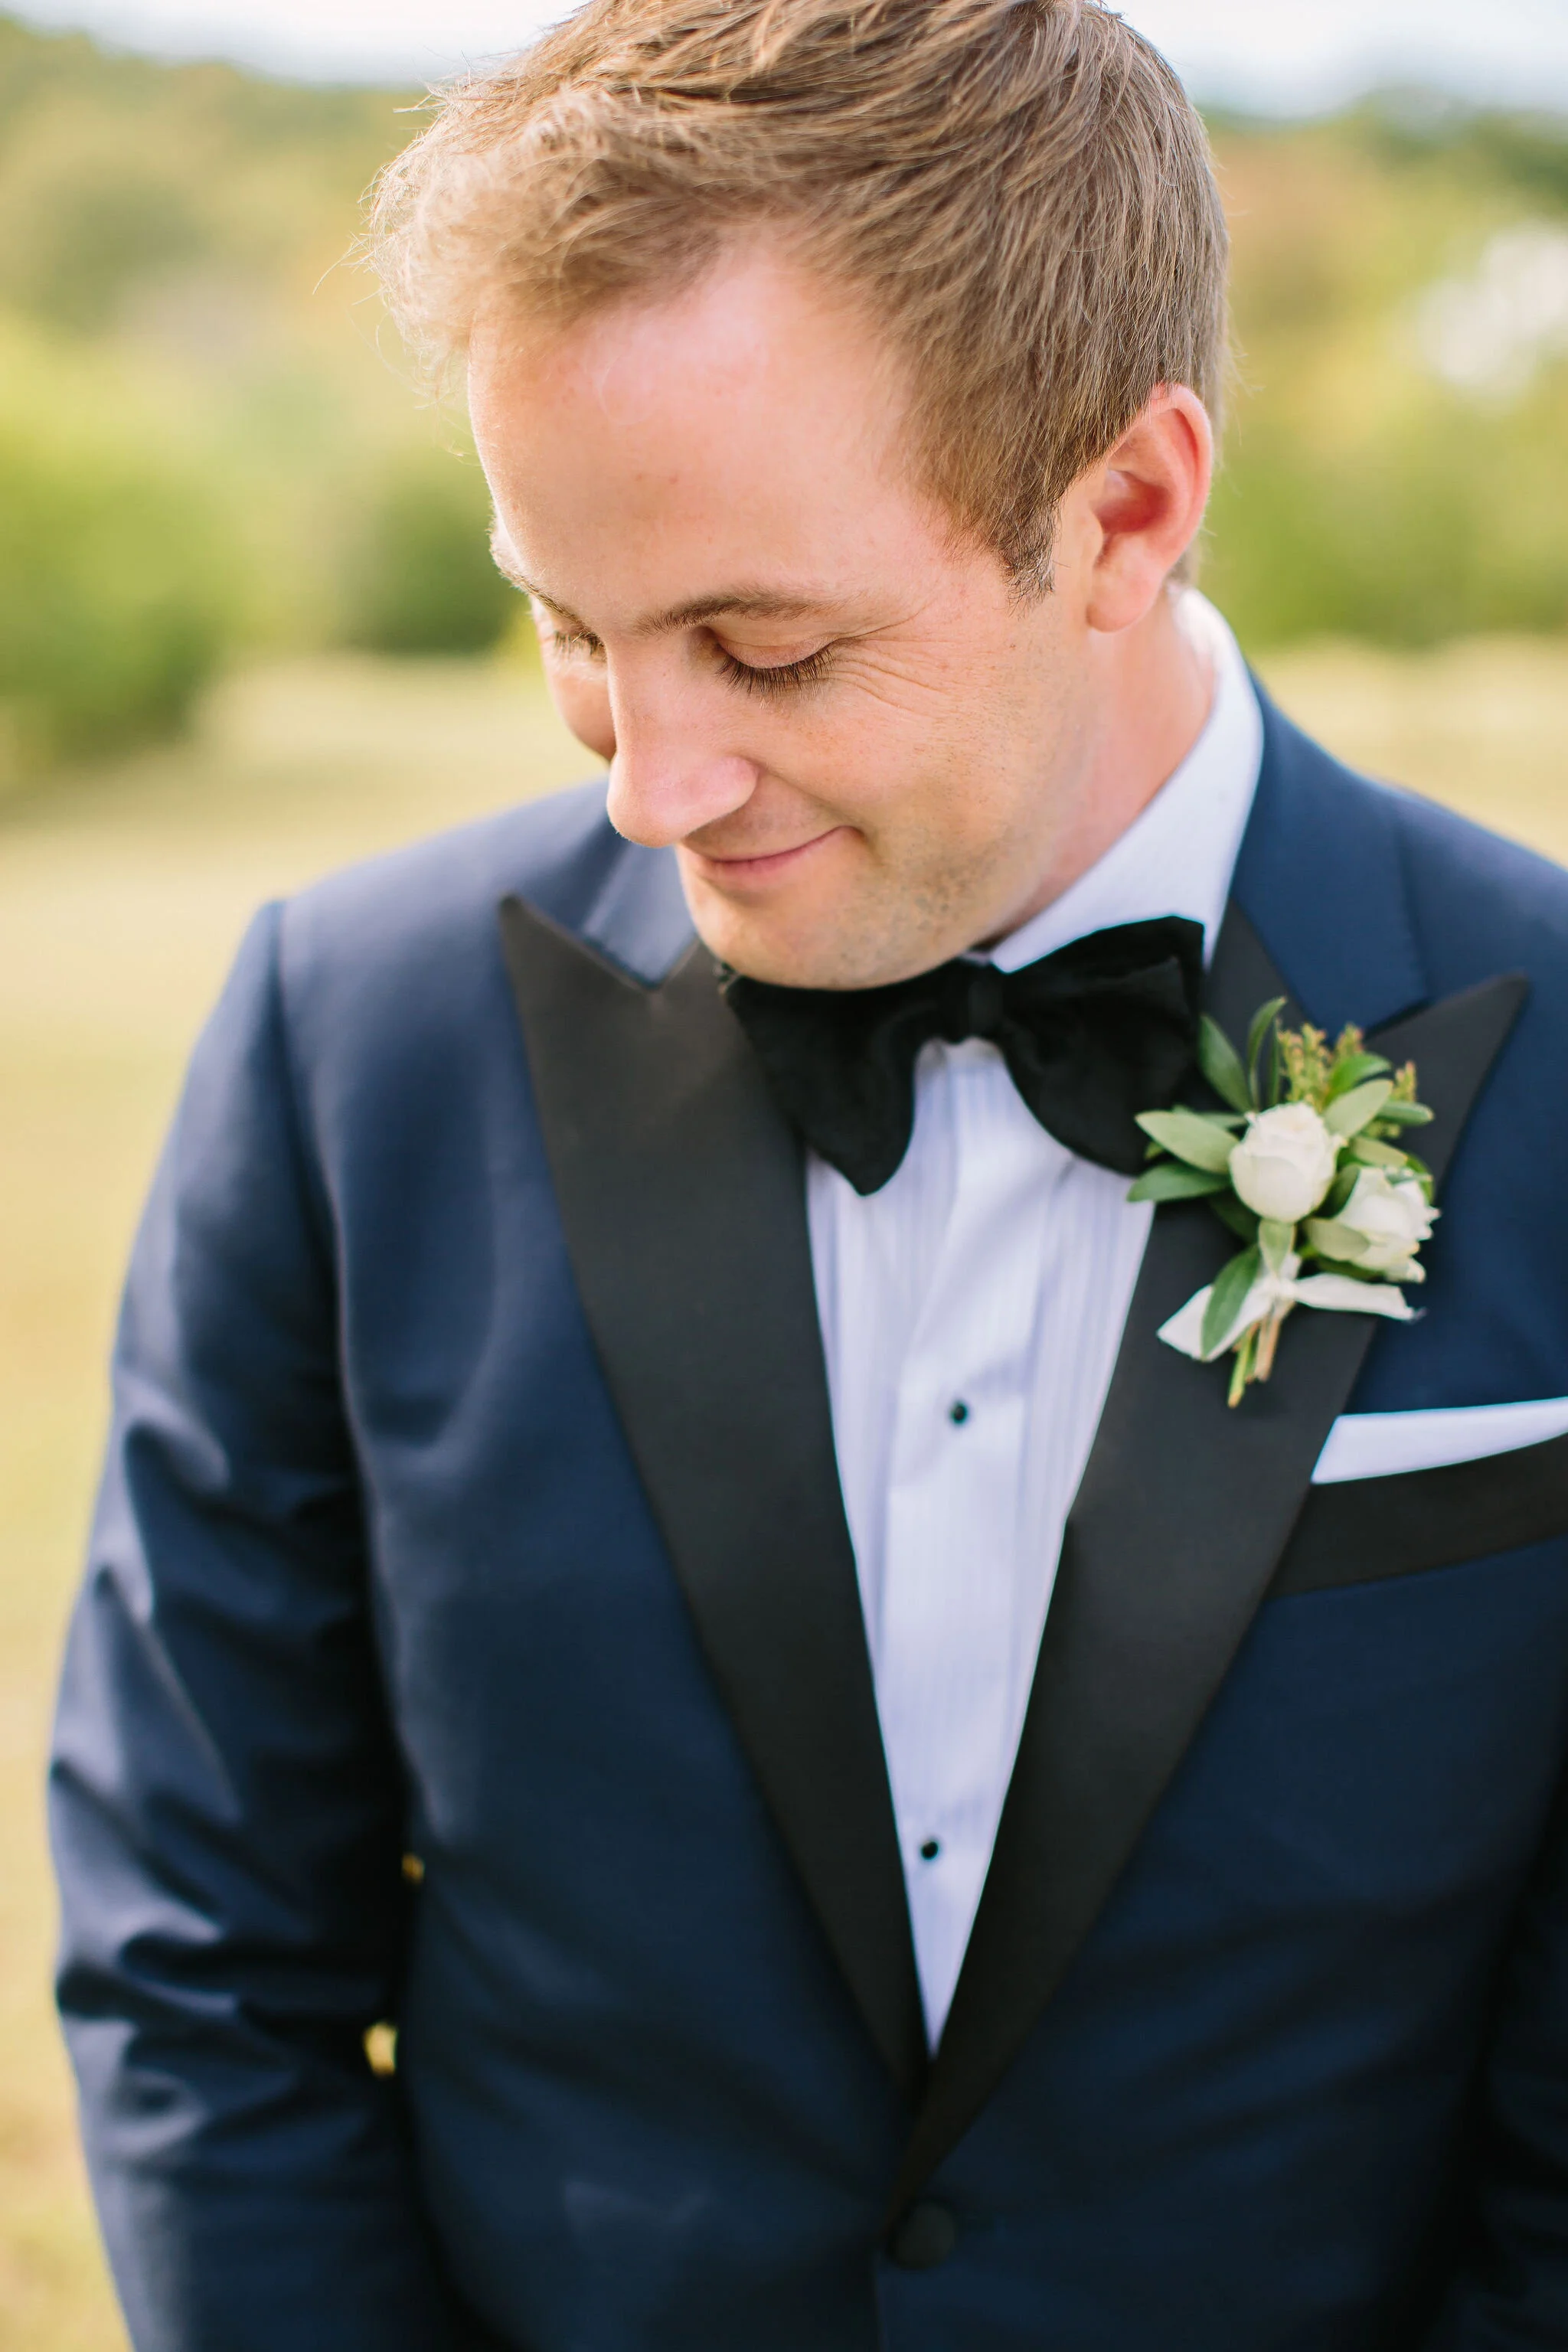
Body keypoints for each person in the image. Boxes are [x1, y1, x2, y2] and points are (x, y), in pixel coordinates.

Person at [48, 2, 1568, 2345]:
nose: (655, 782)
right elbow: (201, 1961)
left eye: (765, 646)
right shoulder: (344, 1042)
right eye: (571, 628)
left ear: (1127, 512)